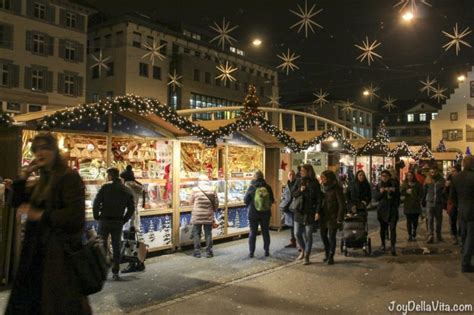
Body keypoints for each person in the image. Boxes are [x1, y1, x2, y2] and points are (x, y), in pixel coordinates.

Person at [6, 132, 91, 314]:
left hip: (58, 256)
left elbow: (75, 216)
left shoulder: (68, 177)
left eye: (45, 148)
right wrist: (23, 176)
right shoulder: (42, 178)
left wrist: (41, 215)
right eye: (36, 149)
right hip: (35, 254)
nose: (40, 153)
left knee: (56, 305)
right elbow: (16, 203)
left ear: (55, 151)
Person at [93, 167, 135, 280]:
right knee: (116, 246)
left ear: (110, 176)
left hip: (104, 220)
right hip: (117, 221)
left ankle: (102, 270)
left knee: (102, 245)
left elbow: (96, 203)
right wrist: (124, 219)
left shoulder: (105, 187)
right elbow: (131, 208)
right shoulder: (126, 190)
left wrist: (96, 216)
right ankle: (115, 271)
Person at [291, 164, 321, 264]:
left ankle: (307, 256)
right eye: (301, 170)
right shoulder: (299, 181)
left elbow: (319, 199)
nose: (301, 172)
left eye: (303, 170)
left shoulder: (315, 182)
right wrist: (300, 190)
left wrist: (317, 211)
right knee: (297, 233)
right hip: (299, 211)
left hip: (310, 212)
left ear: (309, 171)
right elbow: (293, 194)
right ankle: (303, 250)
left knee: (308, 235)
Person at [450, 156, 474, 273]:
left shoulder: (456, 177)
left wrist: (459, 205)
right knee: (471, 236)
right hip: (472, 210)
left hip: (461, 209)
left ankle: (465, 255)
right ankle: (465, 262)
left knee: (464, 235)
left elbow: (452, 196)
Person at [120, 165, 146, 273]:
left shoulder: (126, 187)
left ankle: (132, 263)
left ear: (124, 178)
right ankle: (140, 262)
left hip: (129, 216)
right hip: (135, 215)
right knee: (136, 239)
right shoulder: (137, 186)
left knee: (129, 241)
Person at [245, 170, 275, 258]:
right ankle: (266, 251)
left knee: (253, 232)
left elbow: (245, 200)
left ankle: (251, 252)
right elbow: (272, 200)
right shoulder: (268, 187)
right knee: (265, 232)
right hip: (266, 213)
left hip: (253, 213)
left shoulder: (251, 187)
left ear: (255, 177)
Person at [318, 170, 344, 265]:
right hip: (324, 216)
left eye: (324, 178)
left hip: (333, 216)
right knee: (323, 235)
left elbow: (341, 204)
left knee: (332, 236)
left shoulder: (336, 188)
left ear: (329, 178)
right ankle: (327, 252)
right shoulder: (322, 188)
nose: (322, 179)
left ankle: (331, 256)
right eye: (322, 177)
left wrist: (339, 218)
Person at [190, 175, 219, 258]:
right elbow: (216, 203)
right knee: (208, 234)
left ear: (199, 181)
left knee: (196, 233)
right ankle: (209, 252)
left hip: (197, 215)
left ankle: (197, 252)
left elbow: (190, 201)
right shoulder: (212, 189)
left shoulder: (195, 190)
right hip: (208, 215)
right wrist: (213, 209)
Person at [375, 170, 401, 256]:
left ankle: (393, 246)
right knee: (383, 228)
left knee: (392, 228)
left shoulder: (394, 184)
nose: (384, 177)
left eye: (386, 176)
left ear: (389, 177)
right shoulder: (379, 185)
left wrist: (393, 191)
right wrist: (381, 192)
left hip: (392, 209)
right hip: (382, 210)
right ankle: (383, 243)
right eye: (382, 176)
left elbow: (399, 196)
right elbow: (376, 197)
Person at [422, 166, 446, 244]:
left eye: (434, 172)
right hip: (430, 201)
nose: (433, 173)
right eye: (431, 172)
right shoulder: (427, 180)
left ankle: (438, 234)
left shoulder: (442, 180)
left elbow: (444, 191)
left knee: (439, 220)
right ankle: (430, 235)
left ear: (437, 172)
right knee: (430, 219)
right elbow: (424, 191)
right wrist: (423, 200)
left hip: (438, 202)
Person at [401, 171, 422, 241]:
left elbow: (421, 193)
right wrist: (406, 192)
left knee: (415, 221)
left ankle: (414, 231)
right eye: (408, 176)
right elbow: (401, 192)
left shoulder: (417, 184)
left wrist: (418, 197)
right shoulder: (405, 184)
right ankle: (410, 234)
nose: (409, 177)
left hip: (416, 204)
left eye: (411, 175)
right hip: (408, 204)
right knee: (409, 221)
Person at [279, 170, 297, 248]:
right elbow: (285, 196)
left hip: (295, 208)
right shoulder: (287, 185)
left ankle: (300, 244)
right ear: (288, 176)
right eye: (290, 174)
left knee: (297, 227)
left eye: (293, 174)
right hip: (289, 208)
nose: (291, 176)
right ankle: (293, 242)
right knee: (291, 226)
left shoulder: (297, 184)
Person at [445, 165, 461, 245]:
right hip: (452, 203)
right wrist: (447, 187)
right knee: (453, 220)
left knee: (461, 221)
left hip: (460, 202)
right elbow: (445, 193)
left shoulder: (461, 179)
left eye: (454, 171)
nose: (452, 173)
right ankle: (454, 236)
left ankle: (461, 236)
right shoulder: (449, 179)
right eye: (451, 171)